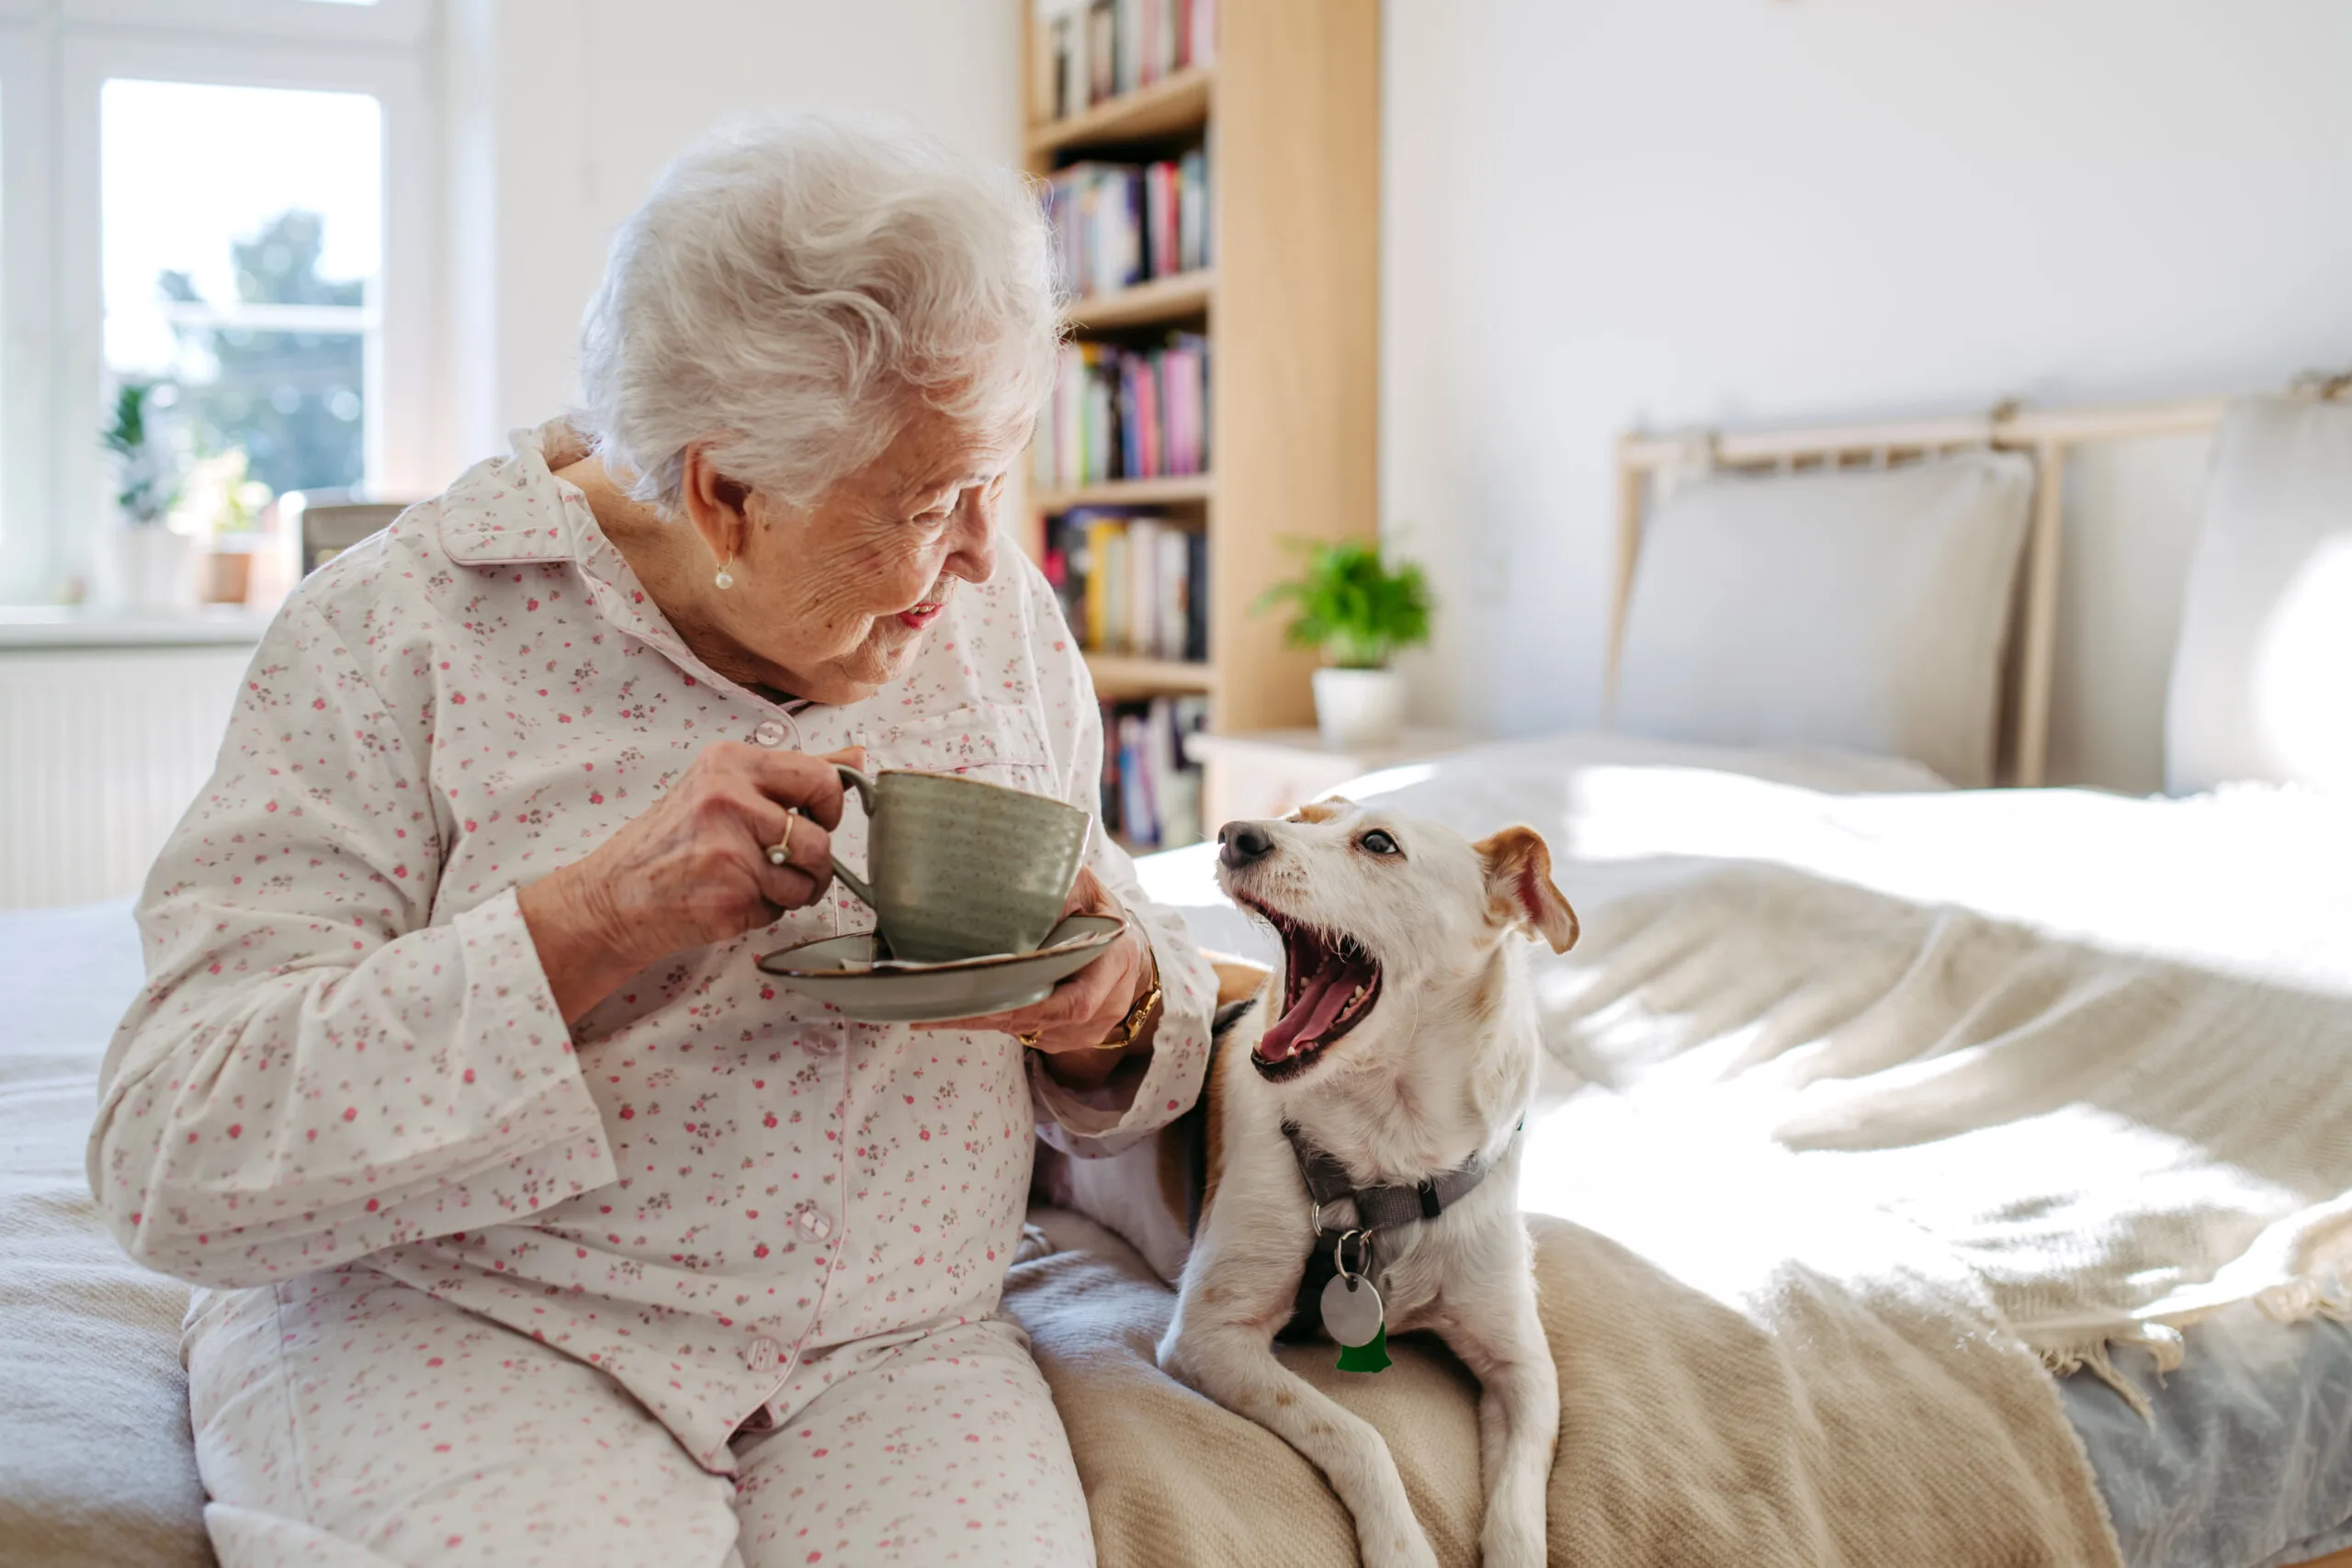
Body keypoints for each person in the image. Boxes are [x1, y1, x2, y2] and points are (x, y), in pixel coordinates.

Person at [87, 113, 1214, 1568]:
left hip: (894, 1350)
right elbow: (174, 1138)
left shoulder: (991, 621)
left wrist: (1105, 1006)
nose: (990, 556)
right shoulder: (398, 631)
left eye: (994, 477)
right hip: (469, 1319)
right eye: (933, 503)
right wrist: (593, 918)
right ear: (723, 490)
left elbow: (1140, 972)